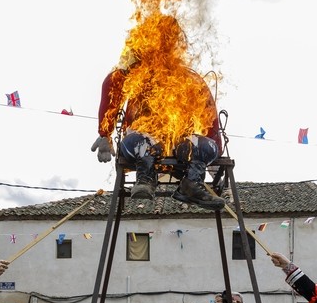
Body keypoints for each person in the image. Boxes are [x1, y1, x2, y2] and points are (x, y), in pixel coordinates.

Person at [93, 13, 225, 209]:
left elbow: (209, 113)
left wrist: (216, 152)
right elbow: (112, 86)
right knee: (139, 142)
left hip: (181, 143)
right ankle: (145, 179)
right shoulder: (135, 73)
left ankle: (191, 183)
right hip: (140, 139)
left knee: (208, 147)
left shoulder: (188, 77)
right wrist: (105, 135)